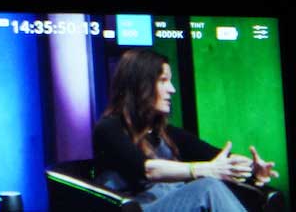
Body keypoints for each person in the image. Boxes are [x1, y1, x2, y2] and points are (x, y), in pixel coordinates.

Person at [92, 48, 277, 210]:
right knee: (208, 188)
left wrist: (251, 169)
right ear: (140, 84)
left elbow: (216, 157)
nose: (171, 89)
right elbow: (148, 169)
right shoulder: (109, 129)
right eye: (163, 81)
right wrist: (204, 170)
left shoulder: (167, 134)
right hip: (139, 208)